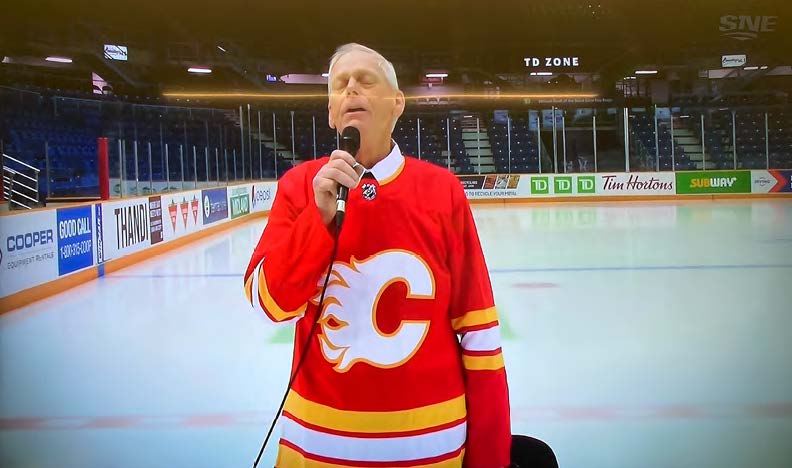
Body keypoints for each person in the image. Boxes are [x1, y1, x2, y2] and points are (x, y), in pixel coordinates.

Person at [244, 43, 511, 467]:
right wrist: (318, 219)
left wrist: (491, 459)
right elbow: (268, 306)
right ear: (331, 111)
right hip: (317, 448)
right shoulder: (300, 186)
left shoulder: (442, 191)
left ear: (397, 104)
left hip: (431, 449)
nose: (352, 89)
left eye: (366, 81)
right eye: (340, 85)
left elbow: (479, 336)